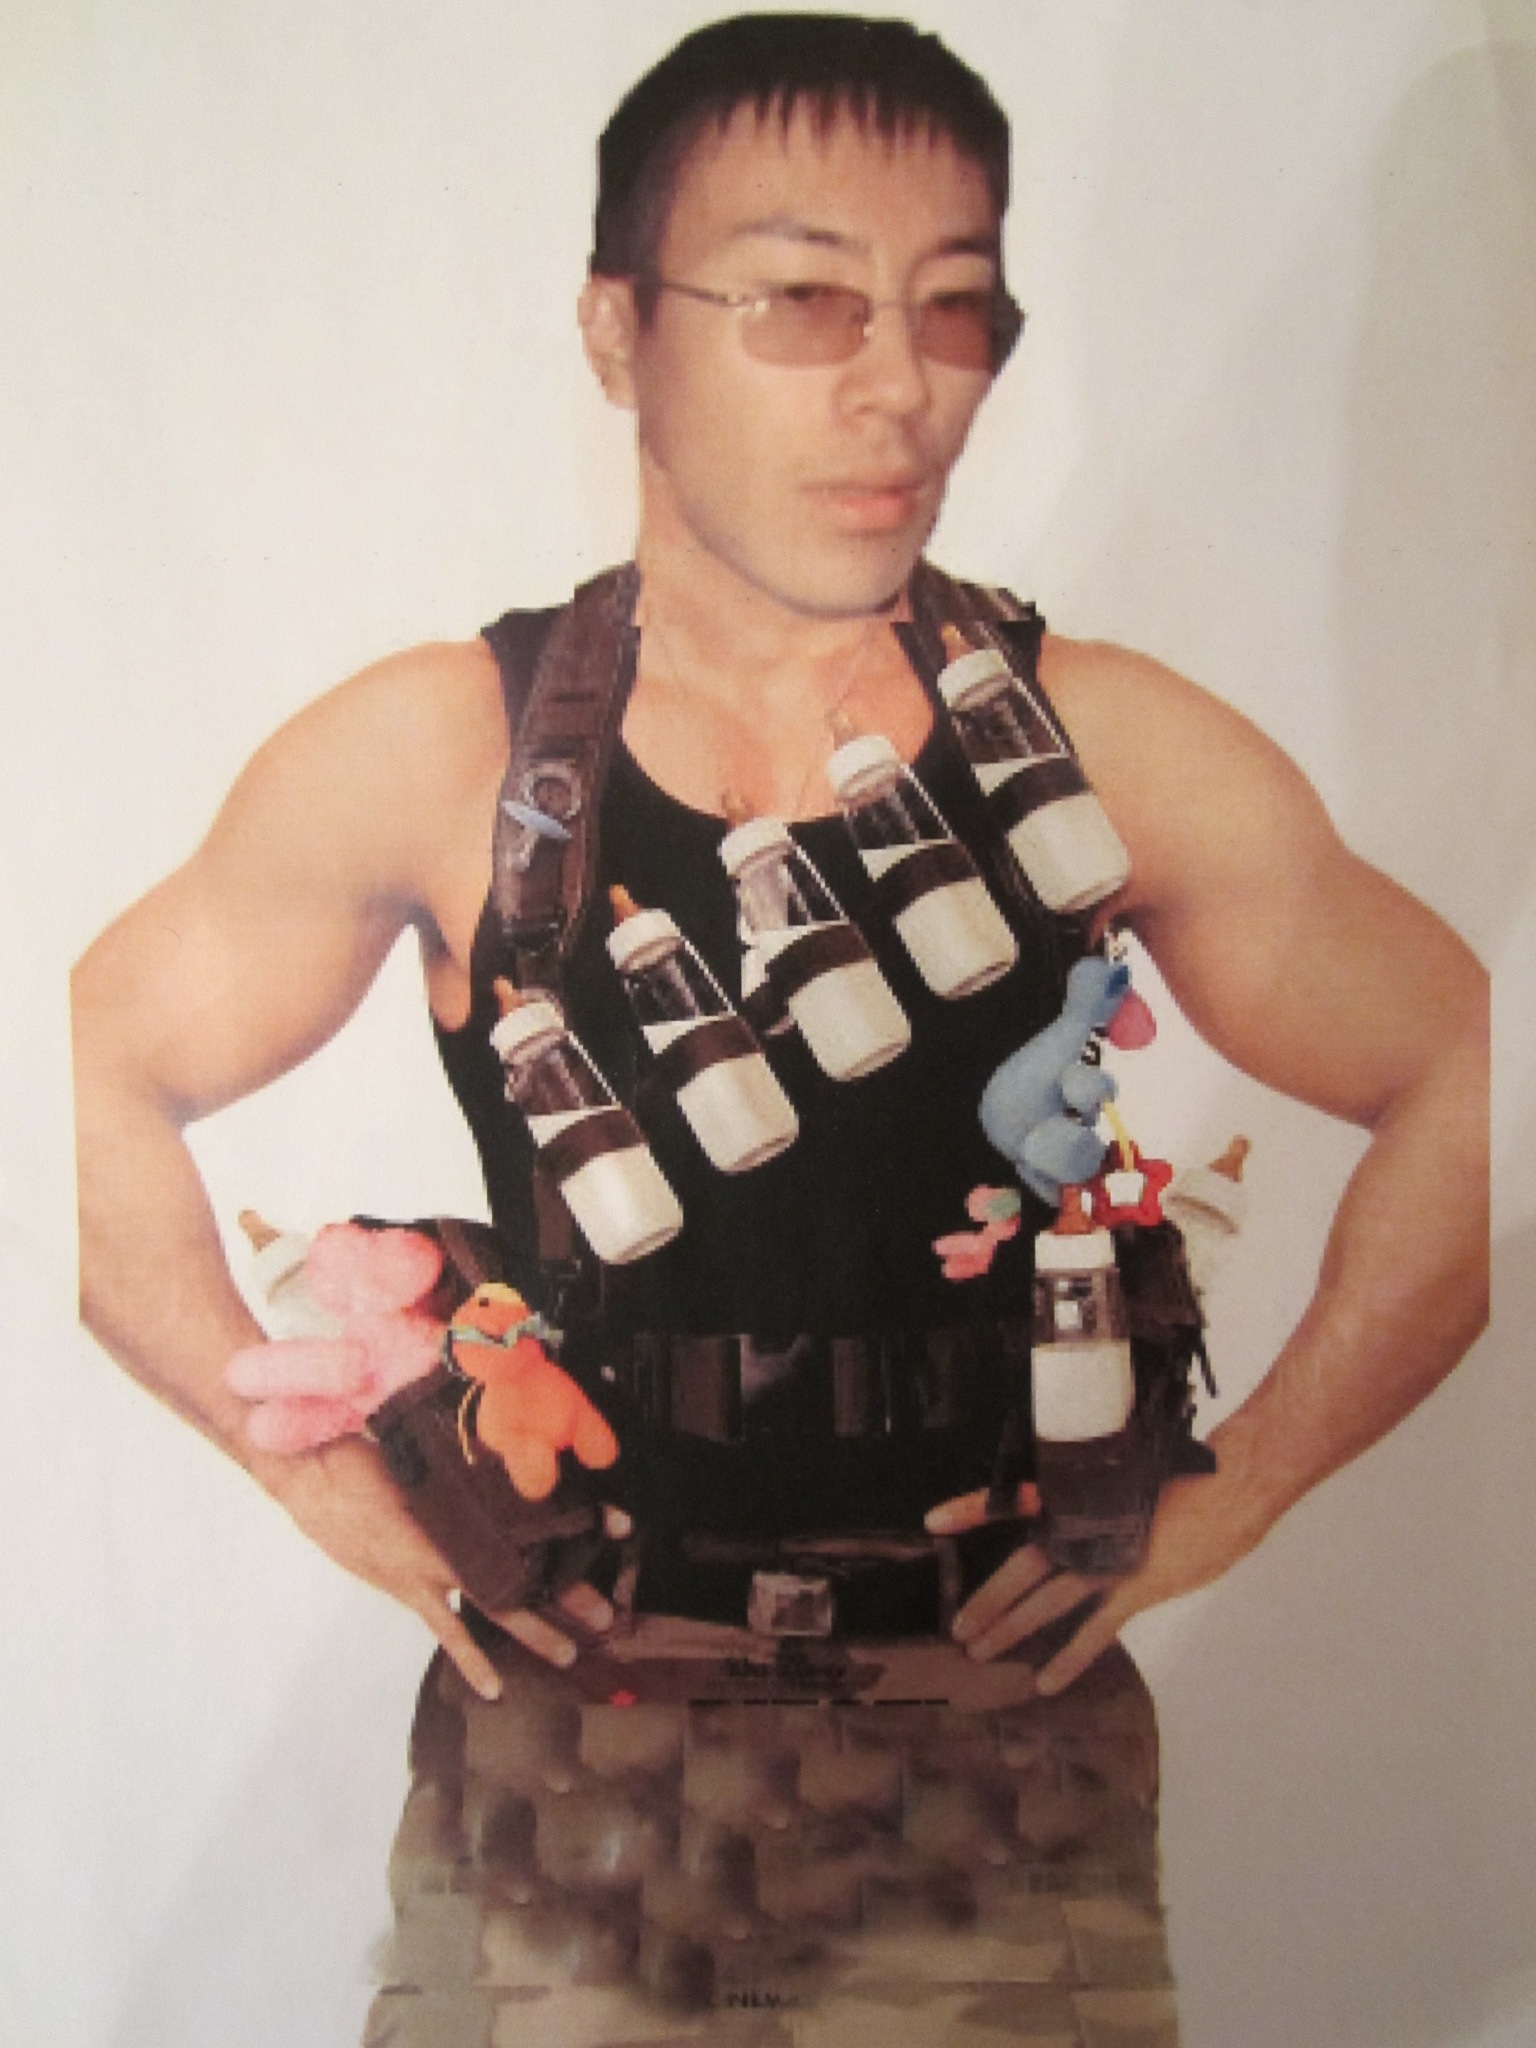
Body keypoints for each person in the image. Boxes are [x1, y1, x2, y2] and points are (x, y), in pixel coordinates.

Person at [70, 13, 1488, 2039]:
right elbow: (83, 1070)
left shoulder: (1112, 746)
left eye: (954, 308)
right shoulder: (445, 755)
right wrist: (294, 1460)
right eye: (805, 301)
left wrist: (1241, 1483)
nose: (898, 385)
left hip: (993, 1763)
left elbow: (1468, 1071)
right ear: (619, 331)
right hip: (569, 1770)